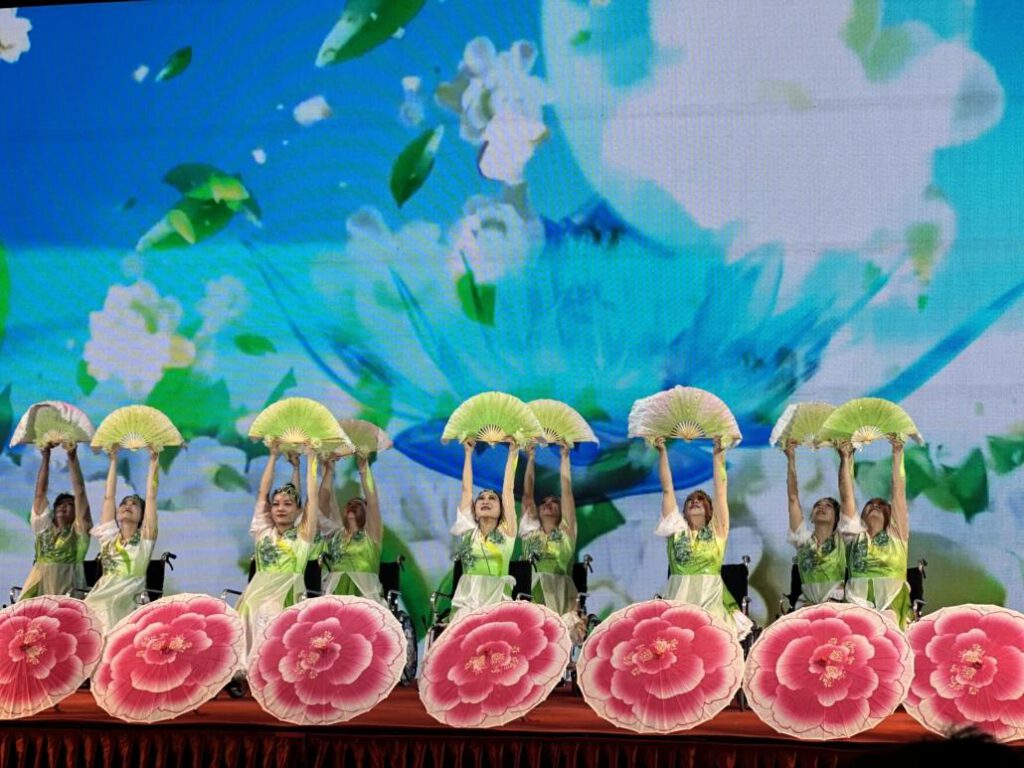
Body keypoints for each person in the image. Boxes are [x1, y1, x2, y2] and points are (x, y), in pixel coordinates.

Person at [655, 437, 753, 639]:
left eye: (700, 499)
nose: (694, 501)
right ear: (683, 511)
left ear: (710, 511)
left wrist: (718, 454)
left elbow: (720, 490)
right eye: (690, 500)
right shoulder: (675, 530)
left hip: (711, 608)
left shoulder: (718, 531)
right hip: (677, 607)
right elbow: (667, 489)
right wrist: (662, 451)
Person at [235, 443, 319, 657]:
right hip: (255, 597)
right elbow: (262, 493)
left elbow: (311, 497)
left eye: (288, 504)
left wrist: (311, 460)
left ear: (299, 511)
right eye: (276, 504)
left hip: (287, 598)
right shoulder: (263, 531)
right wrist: (272, 456)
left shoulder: (302, 536)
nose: (280, 508)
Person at [839, 438, 913, 629]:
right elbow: (847, 497)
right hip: (856, 602)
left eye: (881, 505)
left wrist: (897, 452)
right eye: (870, 504)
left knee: (888, 626)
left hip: (891, 601)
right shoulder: (854, 537)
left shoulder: (897, 535)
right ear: (861, 515)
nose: (875, 506)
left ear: (890, 514)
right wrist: (846, 458)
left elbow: (898, 492)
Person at [85, 446, 159, 632]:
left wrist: (153, 461)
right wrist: (113, 460)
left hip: (128, 600)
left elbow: (151, 497)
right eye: (124, 503)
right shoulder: (109, 537)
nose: (128, 505)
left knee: (109, 613)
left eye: (134, 504)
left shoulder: (145, 540)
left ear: (142, 516)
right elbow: (108, 497)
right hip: (100, 596)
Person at [447, 439, 518, 621]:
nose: (486, 501)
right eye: (481, 498)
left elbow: (508, 492)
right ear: (475, 511)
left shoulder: (507, 532)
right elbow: (466, 491)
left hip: (498, 605)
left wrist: (513, 453)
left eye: (492, 498)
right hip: (468, 605)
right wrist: (468, 453)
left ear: (501, 510)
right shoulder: (468, 532)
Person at [19, 443, 92, 600]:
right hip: (38, 587)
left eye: (69, 505)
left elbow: (80, 491)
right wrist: (45, 457)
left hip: (69, 589)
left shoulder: (79, 533)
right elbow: (40, 493)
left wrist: (72, 457)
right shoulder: (43, 527)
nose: (63, 506)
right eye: (59, 504)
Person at [784, 442, 846, 606]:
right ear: (811, 517)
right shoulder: (803, 541)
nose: (821, 507)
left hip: (836, 606)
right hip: (807, 606)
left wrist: (845, 458)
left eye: (828, 506)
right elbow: (793, 499)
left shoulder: (843, 542)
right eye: (817, 505)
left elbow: (846, 497)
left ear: (837, 518)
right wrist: (791, 459)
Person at [520, 443, 578, 615]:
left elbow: (566, 492)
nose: (548, 504)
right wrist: (531, 458)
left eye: (554, 502)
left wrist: (565, 457)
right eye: (544, 502)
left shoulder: (566, 532)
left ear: (561, 510)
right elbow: (527, 496)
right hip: (529, 597)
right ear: (537, 510)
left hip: (559, 597)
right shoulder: (529, 533)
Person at [319, 453, 383, 602]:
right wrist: (328, 470)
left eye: (360, 504)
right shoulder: (336, 534)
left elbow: (373, 502)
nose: (354, 504)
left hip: (364, 597)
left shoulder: (371, 536)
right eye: (350, 504)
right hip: (335, 595)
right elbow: (327, 503)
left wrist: (363, 469)